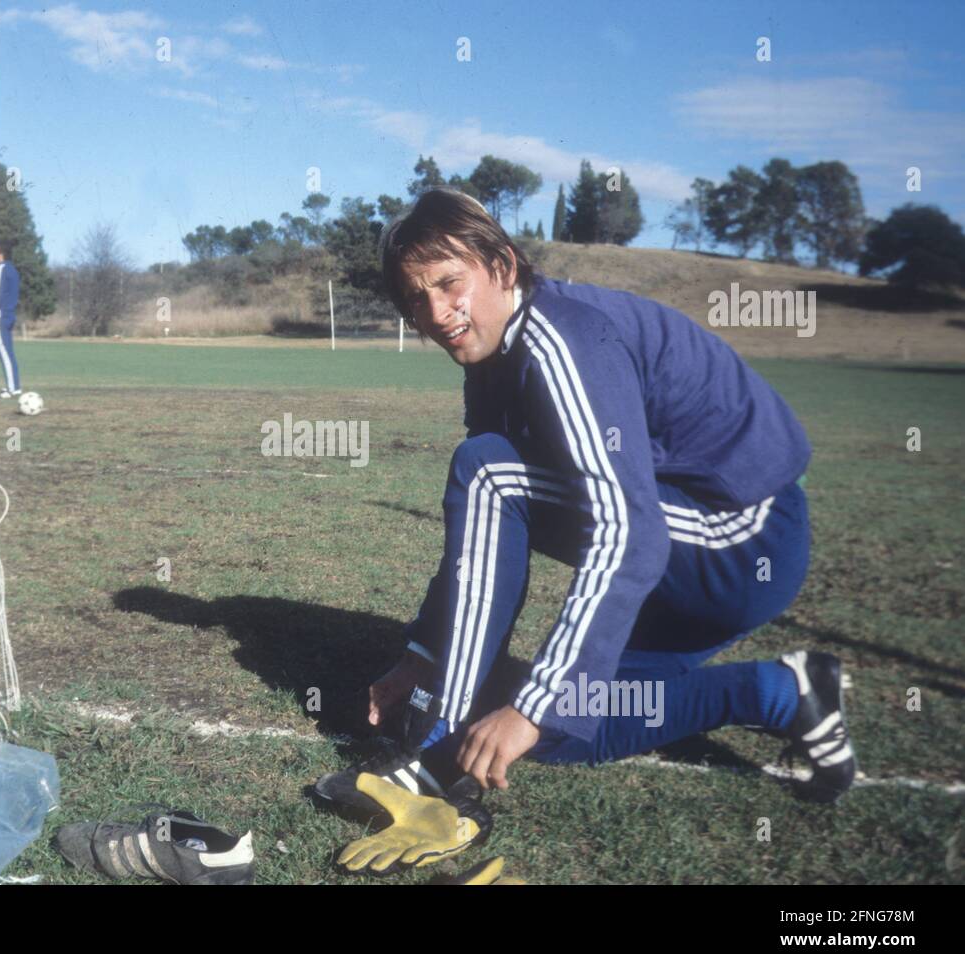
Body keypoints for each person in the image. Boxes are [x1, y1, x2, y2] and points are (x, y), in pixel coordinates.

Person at [315, 188, 856, 846]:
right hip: (695, 560)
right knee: (569, 723)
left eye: (450, 284)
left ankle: (431, 756)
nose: (437, 313)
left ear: (503, 265)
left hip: (745, 539)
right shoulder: (492, 355)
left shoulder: (558, 337)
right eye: (416, 299)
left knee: (487, 471)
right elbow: (478, 538)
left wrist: (528, 703)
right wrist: (423, 655)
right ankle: (780, 691)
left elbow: (627, 536)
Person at [0, 239, 22, 397]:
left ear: (1, 253)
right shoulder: (13, 270)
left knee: (4, 353)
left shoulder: (2, 268)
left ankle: (13, 388)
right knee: (8, 352)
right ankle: (14, 385)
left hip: (0, 317)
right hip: (9, 315)